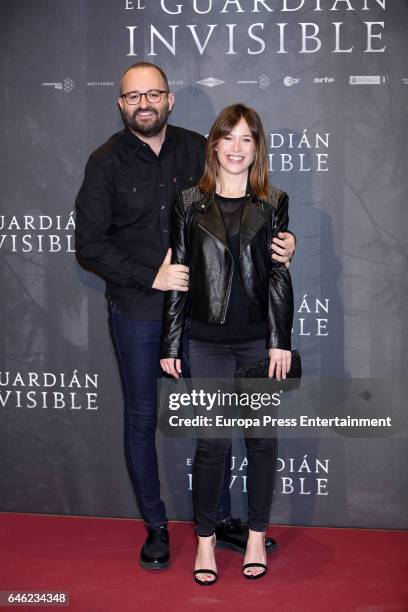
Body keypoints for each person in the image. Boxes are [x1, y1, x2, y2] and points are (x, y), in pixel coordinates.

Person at [75, 62, 296, 570]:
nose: (144, 103)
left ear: (170, 100)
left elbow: (248, 207)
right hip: (136, 310)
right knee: (141, 418)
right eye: (133, 97)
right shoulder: (104, 162)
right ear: (121, 104)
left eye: (153, 94)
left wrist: (284, 243)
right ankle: (155, 527)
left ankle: (219, 522)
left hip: (202, 317)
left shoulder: (200, 146)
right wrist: (147, 276)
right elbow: (87, 243)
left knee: (211, 424)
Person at [160, 103, 294, 584]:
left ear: (256, 147)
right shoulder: (188, 203)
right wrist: (172, 343)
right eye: (228, 138)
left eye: (247, 139)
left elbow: (279, 273)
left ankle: (257, 534)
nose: (237, 149)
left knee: (260, 441)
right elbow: (178, 277)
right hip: (208, 342)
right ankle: (206, 540)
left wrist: (280, 340)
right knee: (212, 443)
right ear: (214, 143)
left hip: (257, 341)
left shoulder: (273, 200)